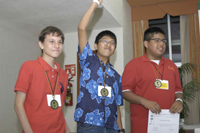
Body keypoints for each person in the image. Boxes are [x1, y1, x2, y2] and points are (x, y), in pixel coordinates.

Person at [74, 0, 124, 133]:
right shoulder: (88, 60)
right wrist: (95, 3)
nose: (109, 44)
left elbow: (117, 105)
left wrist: (121, 129)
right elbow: (81, 28)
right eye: (105, 41)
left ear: (114, 49)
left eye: (112, 43)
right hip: (89, 124)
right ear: (95, 46)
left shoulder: (116, 76)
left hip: (112, 126)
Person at [122, 27, 183, 133]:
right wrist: (143, 101)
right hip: (142, 126)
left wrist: (179, 101)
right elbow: (125, 91)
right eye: (157, 40)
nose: (162, 44)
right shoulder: (133, 65)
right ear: (146, 43)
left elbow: (178, 90)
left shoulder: (171, 65)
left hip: (167, 125)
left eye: (163, 41)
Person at [14, 26, 70, 133]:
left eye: (60, 42)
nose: (56, 46)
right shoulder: (29, 67)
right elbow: (18, 105)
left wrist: (67, 130)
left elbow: (58, 108)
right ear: (41, 44)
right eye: (52, 41)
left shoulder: (63, 75)